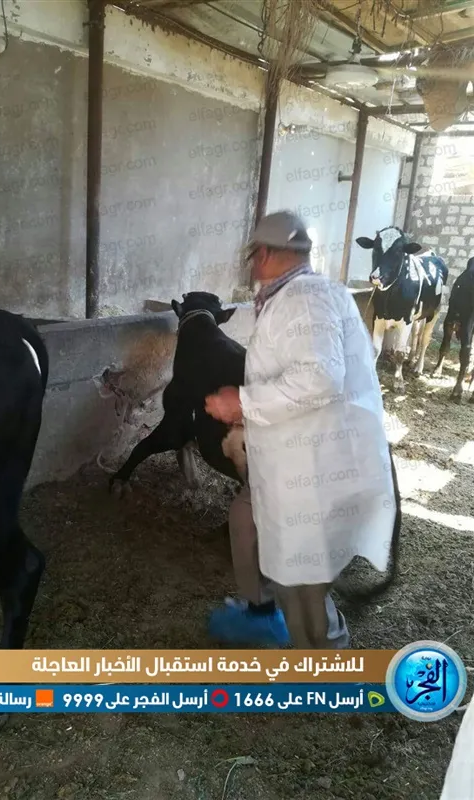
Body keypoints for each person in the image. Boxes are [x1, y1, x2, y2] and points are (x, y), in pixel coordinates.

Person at [204, 210, 396, 649]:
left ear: (265, 254)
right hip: (296, 456)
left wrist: (243, 402)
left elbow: (320, 379)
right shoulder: (308, 293)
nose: (252, 265)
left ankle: (325, 661)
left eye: (253, 256)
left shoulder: (303, 300)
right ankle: (261, 613)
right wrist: (251, 409)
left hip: (314, 472)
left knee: (301, 575)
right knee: (246, 518)